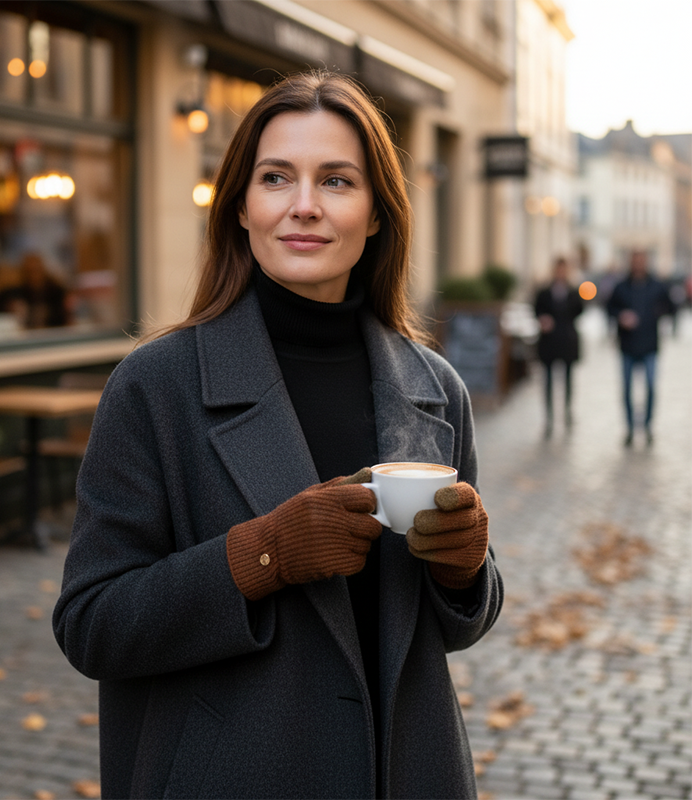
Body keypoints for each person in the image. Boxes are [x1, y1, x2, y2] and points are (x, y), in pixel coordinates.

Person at [53, 70, 503, 800]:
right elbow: (91, 624)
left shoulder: (436, 388)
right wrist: (265, 553)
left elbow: (452, 628)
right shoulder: (154, 387)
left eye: (335, 181)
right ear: (240, 206)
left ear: (377, 212)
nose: (303, 207)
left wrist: (465, 571)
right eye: (275, 178)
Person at [607, 249, 675, 445]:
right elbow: (610, 308)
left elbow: (670, 307)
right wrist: (621, 317)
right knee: (627, 388)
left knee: (651, 387)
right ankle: (629, 427)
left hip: (650, 345)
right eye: (635, 260)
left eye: (641, 260)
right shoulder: (621, 287)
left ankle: (647, 425)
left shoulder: (657, 286)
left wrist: (655, 313)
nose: (638, 264)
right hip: (627, 345)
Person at [533, 256, 584, 437]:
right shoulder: (544, 292)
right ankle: (549, 416)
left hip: (567, 342)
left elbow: (580, 310)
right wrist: (542, 320)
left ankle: (567, 411)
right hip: (549, 342)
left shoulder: (573, 291)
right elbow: (537, 310)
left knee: (568, 380)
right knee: (547, 381)